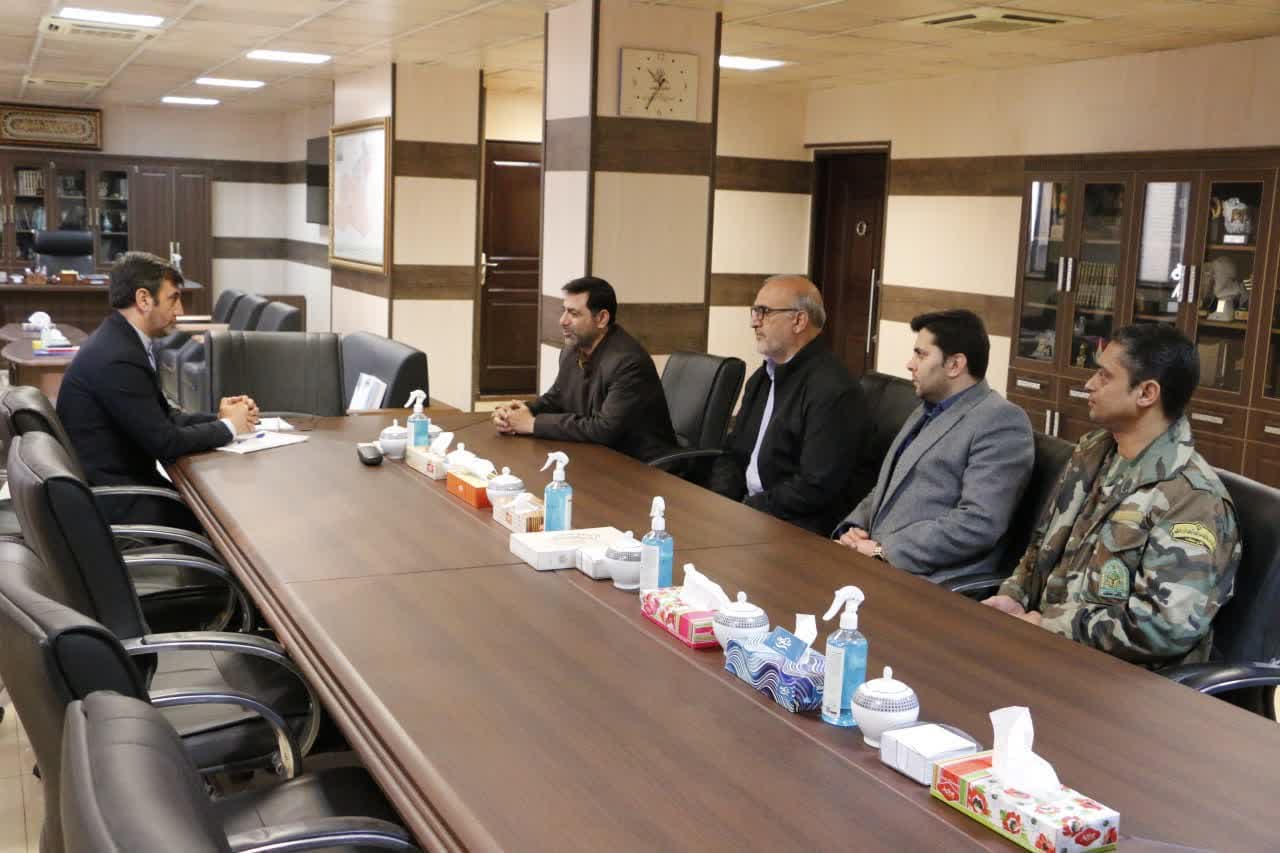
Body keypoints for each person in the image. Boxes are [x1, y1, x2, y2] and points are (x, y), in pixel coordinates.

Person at [983, 324, 1240, 667]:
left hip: (1117, 678)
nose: (1089, 384)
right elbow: (1041, 547)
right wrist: (1013, 596)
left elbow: (1164, 628)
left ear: (1146, 393)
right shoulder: (1093, 452)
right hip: (1046, 649)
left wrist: (1051, 626)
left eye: (1105, 376)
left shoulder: (1193, 499)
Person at [56, 252, 259, 530]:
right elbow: (165, 442)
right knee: (223, 518)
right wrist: (229, 428)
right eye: (173, 298)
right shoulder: (118, 357)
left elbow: (163, 416)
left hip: (124, 486)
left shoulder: (121, 340)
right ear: (143, 299)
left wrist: (219, 418)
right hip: (117, 500)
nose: (180, 310)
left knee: (218, 507)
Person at [834, 309, 1033, 581]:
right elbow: (889, 486)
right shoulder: (926, 408)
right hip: (874, 560)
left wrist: (884, 551)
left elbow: (978, 524)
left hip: (925, 578)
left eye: (921, 354)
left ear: (955, 365)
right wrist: (855, 528)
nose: (910, 364)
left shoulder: (1001, 421)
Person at [707, 276, 864, 534]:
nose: (754, 322)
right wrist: (720, 503)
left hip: (792, 526)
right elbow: (733, 453)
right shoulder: (763, 377)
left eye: (764, 312)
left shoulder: (833, 389)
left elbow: (814, 486)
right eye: (755, 311)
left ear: (799, 321)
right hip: (748, 512)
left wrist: (746, 509)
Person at [492, 276, 676, 462]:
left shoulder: (628, 362)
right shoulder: (572, 350)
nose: (562, 321)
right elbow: (557, 398)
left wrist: (532, 424)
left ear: (602, 318)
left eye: (573, 313)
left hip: (642, 465)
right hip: (598, 456)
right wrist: (519, 412)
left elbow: (604, 429)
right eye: (564, 311)